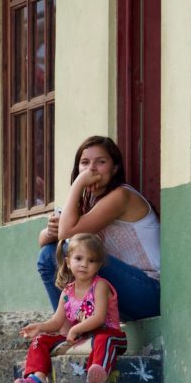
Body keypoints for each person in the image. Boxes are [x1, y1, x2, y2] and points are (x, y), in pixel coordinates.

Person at [37, 136, 160, 320]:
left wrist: (78, 184)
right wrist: (50, 231)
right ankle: (65, 328)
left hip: (148, 293)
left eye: (101, 162)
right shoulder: (89, 202)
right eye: (84, 163)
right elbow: (46, 241)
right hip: (118, 298)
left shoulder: (122, 196)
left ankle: (69, 326)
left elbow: (68, 234)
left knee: (70, 250)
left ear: (115, 168)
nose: (91, 169)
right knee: (48, 254)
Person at [15, 233, 127, 383]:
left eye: (91, 260)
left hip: (110, 336)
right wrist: (40, 327)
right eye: (79, 259)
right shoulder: (67, 292)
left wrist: (75, 329)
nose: (84, 264)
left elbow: (99, 318)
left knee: (104, 339)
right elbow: (57, 321)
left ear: (99, 265)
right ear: (68, 262)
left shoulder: (100, 285)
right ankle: (38, 378)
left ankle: (97, 372)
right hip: (82, 339)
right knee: (40, 340)